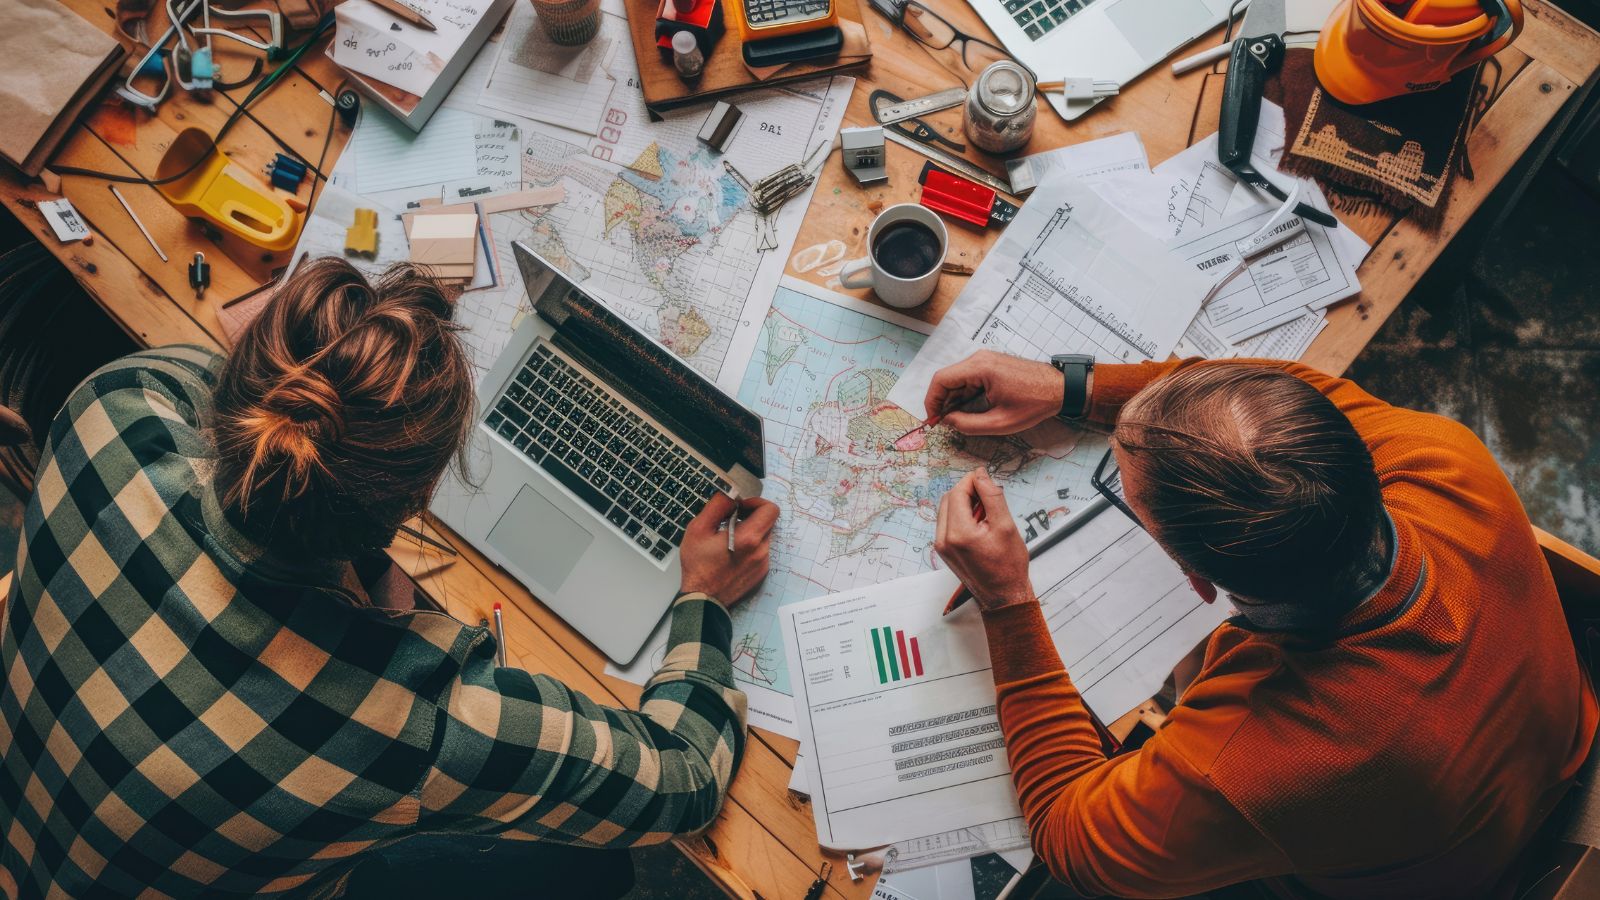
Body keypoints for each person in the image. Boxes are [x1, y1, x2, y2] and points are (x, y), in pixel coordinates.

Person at [0, 258, 779, 898]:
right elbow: (681, 778)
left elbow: (211, 377)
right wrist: (702, 598)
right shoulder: (411, 718)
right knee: (595, 866)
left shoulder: (110, 409)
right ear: (417, 500)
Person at [927, 349, 1598, 899]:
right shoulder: (1443, 454)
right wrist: (1072, 386)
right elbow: (1278, 393)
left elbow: (1071, 836)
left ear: (1192, 577)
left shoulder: (1255, 757)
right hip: (1549, 761)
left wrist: (1008, 602)